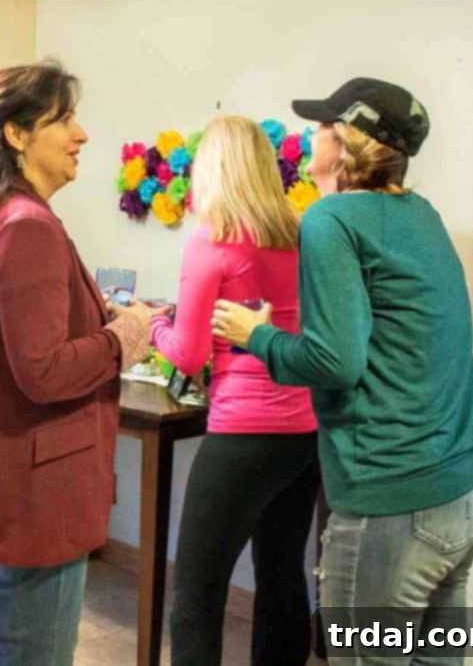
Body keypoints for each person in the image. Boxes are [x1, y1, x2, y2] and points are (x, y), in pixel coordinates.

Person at [212, 78, 473, 665]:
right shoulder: (421, 214)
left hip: (396, 511)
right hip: (468, 495)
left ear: (344, 142)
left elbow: (334, 362)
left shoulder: (332, 219)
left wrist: (255, 336)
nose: (308, 134)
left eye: (321, 125)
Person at [0, 61, 151, 666]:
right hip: (33, 489)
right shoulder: (29, 226)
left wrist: (94, 317)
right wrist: (124, 336)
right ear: (18, 134)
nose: (81, 135)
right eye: (65, 120)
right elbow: (44, 371)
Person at [151, 116, 319, 666]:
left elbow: (189, 353)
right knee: (281, 575)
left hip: (243, 433)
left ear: (212, 171)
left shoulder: (212, 240)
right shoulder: (300, 233)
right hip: (304, 431)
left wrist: (148, 325)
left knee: (197, 592)